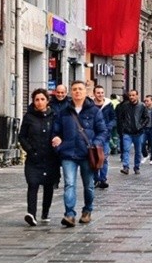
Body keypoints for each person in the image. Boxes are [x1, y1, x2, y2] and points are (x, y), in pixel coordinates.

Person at [51, 80, 107, 227]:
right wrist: (57, 140)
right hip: (68, 153)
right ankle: (69, 214)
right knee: (69, 184)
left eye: (80, 89)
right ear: (71, 92)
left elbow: (102, 131)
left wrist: (96, 143)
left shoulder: (94, 111)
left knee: (88, 185)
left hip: (87, 154)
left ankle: (87, 210)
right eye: (74, 89)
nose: (77, 92)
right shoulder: (64, 112)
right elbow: (56, 131)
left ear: (86, 92)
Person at [18, 88, 60, 226]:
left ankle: (45, 212)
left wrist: (58, 141)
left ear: (47, 101)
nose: (39, 102)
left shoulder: (54, 116)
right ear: (33, 102)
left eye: (42, 99)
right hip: (34, 158)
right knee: (33, 184)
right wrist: (29, 149)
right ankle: (31, 214)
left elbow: (59, 132)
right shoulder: (29, 117)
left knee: (48, 186)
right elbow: (22, 136)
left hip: (50, 157)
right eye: (37, 99)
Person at [115, 89, 150, 175]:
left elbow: (146, 118)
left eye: (133, 95)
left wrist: (141, 126)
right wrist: (123, 126)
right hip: (127, 132)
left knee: (138, 151)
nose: (131, 97)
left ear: (137, 96)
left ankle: (136, 167)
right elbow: (121, 117)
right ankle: (126, 167)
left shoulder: (142, 106)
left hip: (138, 132)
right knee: (126, 149)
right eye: (130, 95)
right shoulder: (125, 106)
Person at [92, 85, 116, 189]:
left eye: (102, 92)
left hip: (105, 136)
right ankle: (96, 179)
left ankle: (103, 179)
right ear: (94, 94)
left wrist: (109, 127)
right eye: (98, 93)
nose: (100, 95)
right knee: (93, 159)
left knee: (104, 158)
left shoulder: (108, 105)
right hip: (93, 136)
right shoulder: (90, 105)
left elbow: (114, 118)